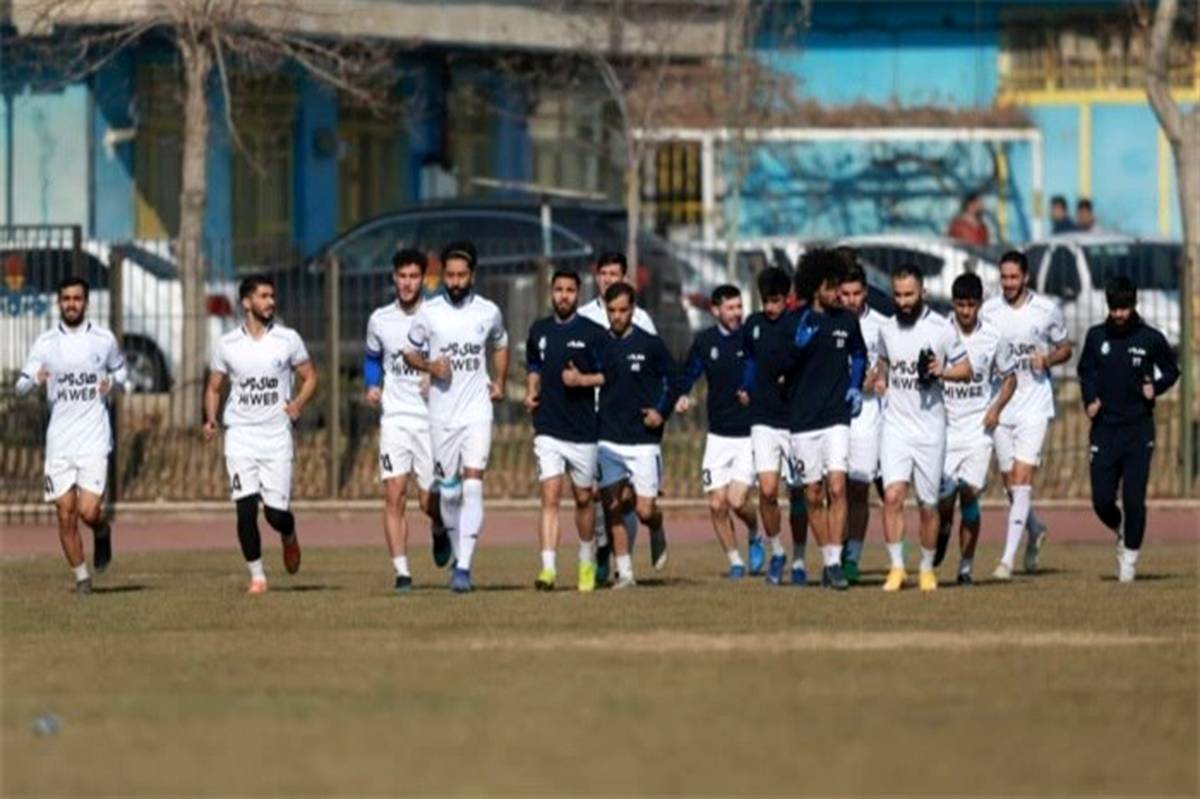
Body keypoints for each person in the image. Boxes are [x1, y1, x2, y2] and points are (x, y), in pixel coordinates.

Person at [403, 241, 509, 594]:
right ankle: (456, 552)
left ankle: (464, 568)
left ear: (472, 275)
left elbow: (501, 343)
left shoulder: (488, 311)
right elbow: (409, 352)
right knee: (448, 494)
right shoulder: (429, 312)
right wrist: (430, 366)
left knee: (473, 484)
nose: (456, 282)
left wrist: (499, 381)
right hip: (441, 413)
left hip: (477, 411)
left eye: (462, 275)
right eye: (450, 275)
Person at [204, 275, 318, 595]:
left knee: (275, 515)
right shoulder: (227, 344)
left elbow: (310, 377)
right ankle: (257, 576)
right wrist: (211, 419)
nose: (271, 302)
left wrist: (298, 404)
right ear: (246, 302)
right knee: (244, 510)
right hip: (240, 436)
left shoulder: (288, 339)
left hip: (276, 436)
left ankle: (289, 534)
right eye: (264, 296)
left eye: (272, 296)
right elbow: (214, 387)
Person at [15, 276, 126, 594]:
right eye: (66, 299)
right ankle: (82, 579)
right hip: (60, 442)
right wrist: (34, 379)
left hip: (93, 438)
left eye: (77, 298)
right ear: (59, 303)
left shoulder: (104, 339)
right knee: (65, 515)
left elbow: (121, 371)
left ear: (86, 302)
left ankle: (101, 530)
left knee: (88, 511)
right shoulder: (46, 343)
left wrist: (113, 383)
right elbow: (20, 386)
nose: (71, 304)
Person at [874, 264, 971, 592]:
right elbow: (883, 362)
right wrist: (879, 379)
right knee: (892, 496)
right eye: (898, 295)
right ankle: (897, 568)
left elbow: (966, 369)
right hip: (895, 428)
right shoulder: (887, 329)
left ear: (923, 293)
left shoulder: (942, 329)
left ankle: (927, 568)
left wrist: (942, 371)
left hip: (930, 431)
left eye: (909, 295)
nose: (903, 302)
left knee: (928, 506)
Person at [1077, 276, 1179, 582]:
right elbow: (1085, 371)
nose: (1119, 315)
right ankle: (1122, 528)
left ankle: (1129, 562)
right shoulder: (1096, 336)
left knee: (1134, 499)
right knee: (1101, 501)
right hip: (1104, 429)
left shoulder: (1150, 338)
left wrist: (1155, 388)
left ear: (1133, 306)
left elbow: (1172, 371)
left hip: (1138, 430)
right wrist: (1089, 399)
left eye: (1124, 308)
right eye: (1114, 309)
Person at [981, 250, 1072, 580]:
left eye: (1014, 277)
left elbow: (1065, 348)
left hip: (1034, 404)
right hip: (1001, 404)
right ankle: (1035, 529)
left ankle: (1006, 560)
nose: (1008, 283)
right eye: (1004, 277)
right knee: (1009, 483)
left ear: (1026, 278)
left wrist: (1047, 360)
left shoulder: (1046, 310)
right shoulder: (989, 311)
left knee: (1021, 479)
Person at [363, 249, 449, 594]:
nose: (408, 283)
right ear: (394, 278)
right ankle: (402, 573)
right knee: (394, 494)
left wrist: (434, 375)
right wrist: (372, 384)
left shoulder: (437, 316)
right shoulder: (380, 319)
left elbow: (451, 358)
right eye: (402, 276)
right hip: (395, 420)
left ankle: (439, 527)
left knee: (429, 501)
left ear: (423, 279)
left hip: (430, 420)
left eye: (414, 276)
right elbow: (372, 358)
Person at [780, 248, 866, 590]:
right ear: (815, 287)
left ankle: (834, 563)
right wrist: (795, 348)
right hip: (802, 420)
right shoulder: (795, 322)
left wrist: (855, 385)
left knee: (837, 486)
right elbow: (778, 369)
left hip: (836, 416)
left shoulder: (847, 321)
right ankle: (829, 560)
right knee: (813, 493)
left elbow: (858, 353)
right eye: (831, 287)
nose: (838, 294)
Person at [524, 268, 607, 592]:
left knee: (584, 500)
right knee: (550, 496)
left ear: (578, 293)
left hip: (583, 431)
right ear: (551, 292)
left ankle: (586, 561)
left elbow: (609, 374)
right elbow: (534, 365)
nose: (563, 296)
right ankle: (547, 569)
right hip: (548, 426)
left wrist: (582, 380)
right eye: (558, 289)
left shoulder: (593, 333)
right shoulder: (539, 330)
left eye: (570, 290)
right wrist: (532, 391)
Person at [596, 282, 683, 589]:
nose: (617, 316)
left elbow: (675, 381)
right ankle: (626, 574)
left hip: (644, 440)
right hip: (607, 438)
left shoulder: (650, 344)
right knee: (613, 506)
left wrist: (661, 411)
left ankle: (656, 526)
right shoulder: (599, 344)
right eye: (612, 311)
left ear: (633, 309)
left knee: (644, 510)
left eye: (623, 310)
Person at [577, 251, 658, 578]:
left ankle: (620, 558)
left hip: (630, 422)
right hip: (592, 418)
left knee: (627, 500)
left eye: (615, 274)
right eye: (604, 273)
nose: (608, 279)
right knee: (597, 494)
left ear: (625, 278)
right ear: (596, 277)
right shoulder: (583, 317)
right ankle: (603, 552)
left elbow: (656, 367)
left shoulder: (642, 320)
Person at [935, 273, 1017, 585]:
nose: (966, 311)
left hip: (977, 430)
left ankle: (965, 568)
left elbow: (1010, 379)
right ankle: (944, 526)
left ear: (980, 304)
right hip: (944, 430)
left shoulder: (994, 336)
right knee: (944, 500)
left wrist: (996, 409)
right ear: (953, 304)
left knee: (969, 495)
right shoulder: (941, 332)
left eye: (971, 305)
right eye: (960, 305)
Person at [675, 284, 759, 578]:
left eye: (739, 307)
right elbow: (690, 373)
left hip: (748, 435)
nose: (737, 313)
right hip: (718, 436)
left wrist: (753, 392)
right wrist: (683, 395)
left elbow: (765, 373)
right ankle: (735, 561)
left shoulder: (752, 338)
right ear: (715, 310)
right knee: (716, 503)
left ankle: (755, 531)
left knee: (737, 501)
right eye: (730, 308)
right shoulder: (704, 341)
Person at [741, 267, 807, 585]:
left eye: (776, 301)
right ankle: (778, 552)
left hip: (795, 420)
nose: (769, 307)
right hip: (763, 419)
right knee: (767, 491)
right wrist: (746, 385)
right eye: (765, 301)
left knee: (799, 493)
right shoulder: (753, 325)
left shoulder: (798, 324)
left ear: (788, 298)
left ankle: (800, 559)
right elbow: (750, 360)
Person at [836, 255, 887, 584]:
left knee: (857, 487)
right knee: (833, 487)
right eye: (845, 294)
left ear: (865, 292)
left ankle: (852, 556)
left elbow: (891, 361)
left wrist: (880, 377)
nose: (851, 300)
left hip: (867, 415)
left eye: (856, 293)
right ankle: (835, 549)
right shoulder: (829, 323)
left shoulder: (881, 324)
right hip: (832, 414)